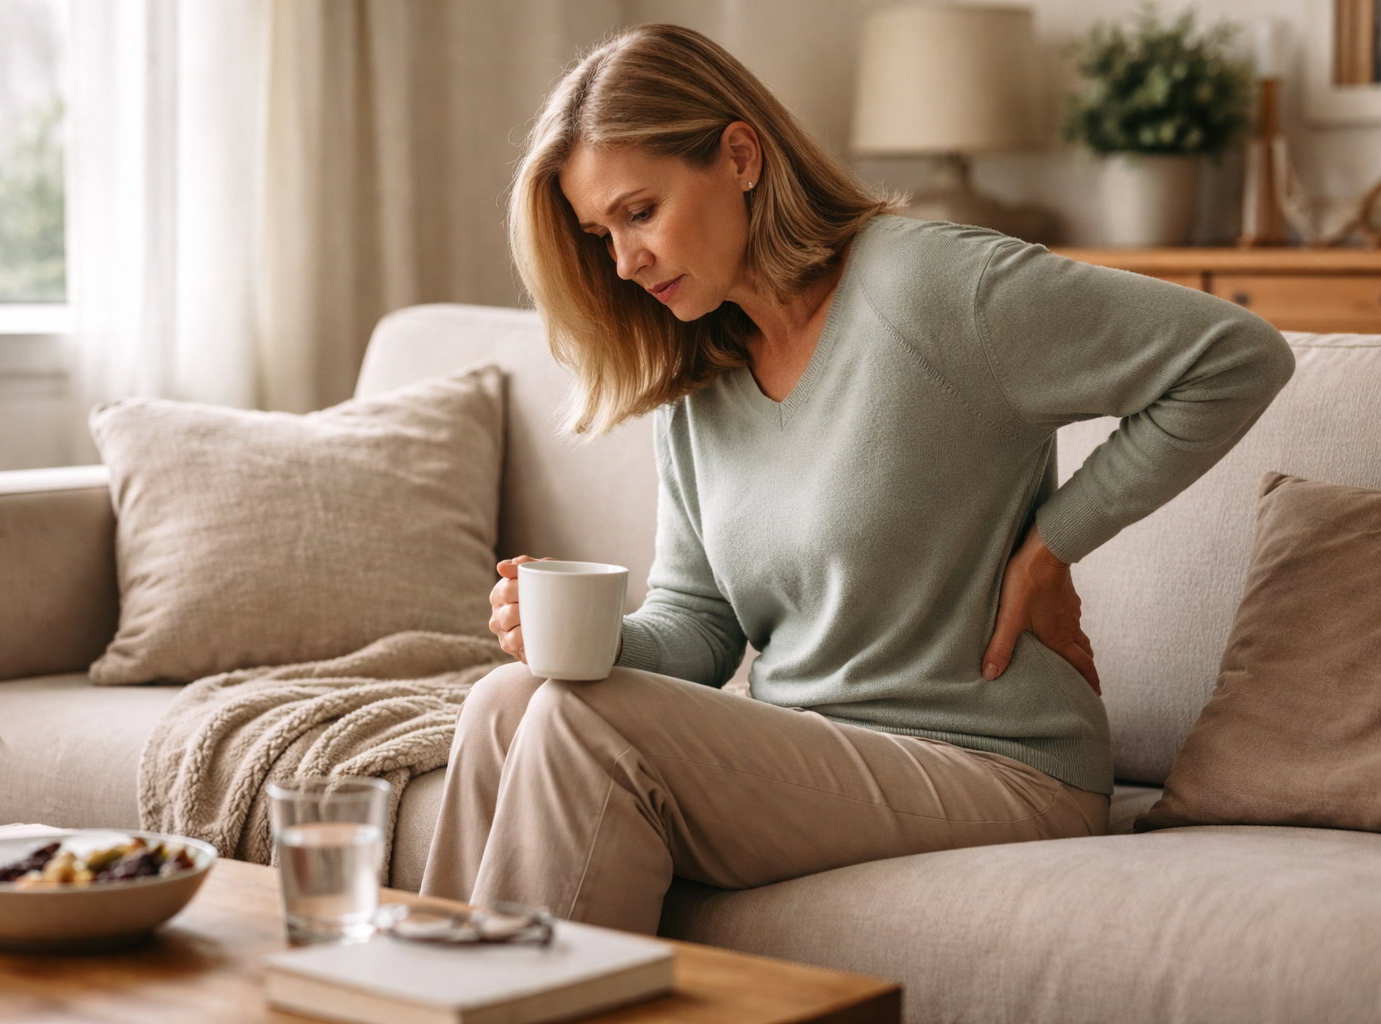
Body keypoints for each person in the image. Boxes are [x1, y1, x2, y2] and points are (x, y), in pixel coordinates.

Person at [418, 24, 1294, 935]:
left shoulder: (936, 287)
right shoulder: (702, 374)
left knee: (574, 728)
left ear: (741, 156)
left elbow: (1236, 357)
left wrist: (1053, 542)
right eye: (601, 234)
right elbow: (701, 628)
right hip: (813, 750)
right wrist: (579, 640)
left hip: (998, 763)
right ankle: (436, 991)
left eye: (640, 212)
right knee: (505, 702)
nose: (624, 262)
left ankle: (514, 991)